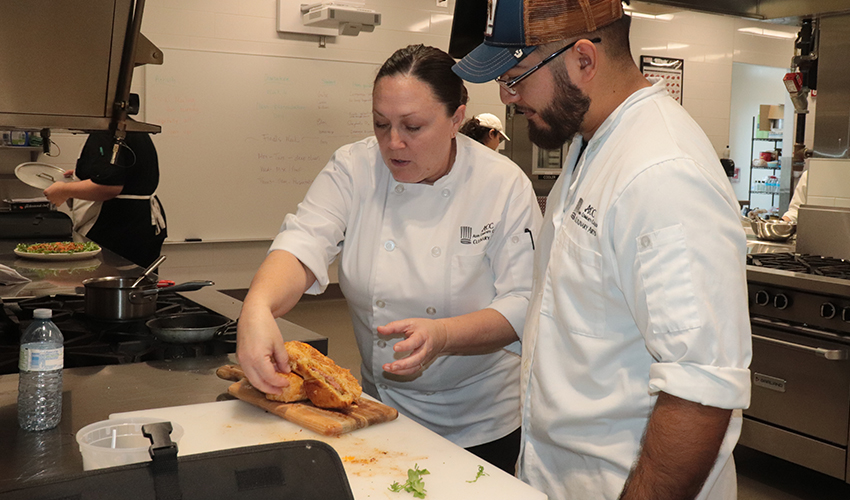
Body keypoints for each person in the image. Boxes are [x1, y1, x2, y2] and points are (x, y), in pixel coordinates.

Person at [450, 0, 752, 498]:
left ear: (584, 60)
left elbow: (701, 392)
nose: (507, 95)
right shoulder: (592, 143)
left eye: (517, 75)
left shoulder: (661, 172)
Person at [236, 44, 542, 473]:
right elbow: (304, 242)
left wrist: (444, 335)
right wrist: (257, 306)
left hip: (480, 420)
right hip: (376, 409)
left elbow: (524, 302)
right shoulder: (353, 167)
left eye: (413, 127)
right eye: (381, 124)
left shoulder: (501, 185)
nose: (393, 143)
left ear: (457, 118)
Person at [43, 131, 167, 268]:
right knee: (141, 282)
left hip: (120, 225)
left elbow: (110, 187)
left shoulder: (109, 132)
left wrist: (64, 190)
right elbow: (123, 173)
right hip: (141, 222)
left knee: (114, 283)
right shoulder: (133, 128)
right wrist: (84, 174)